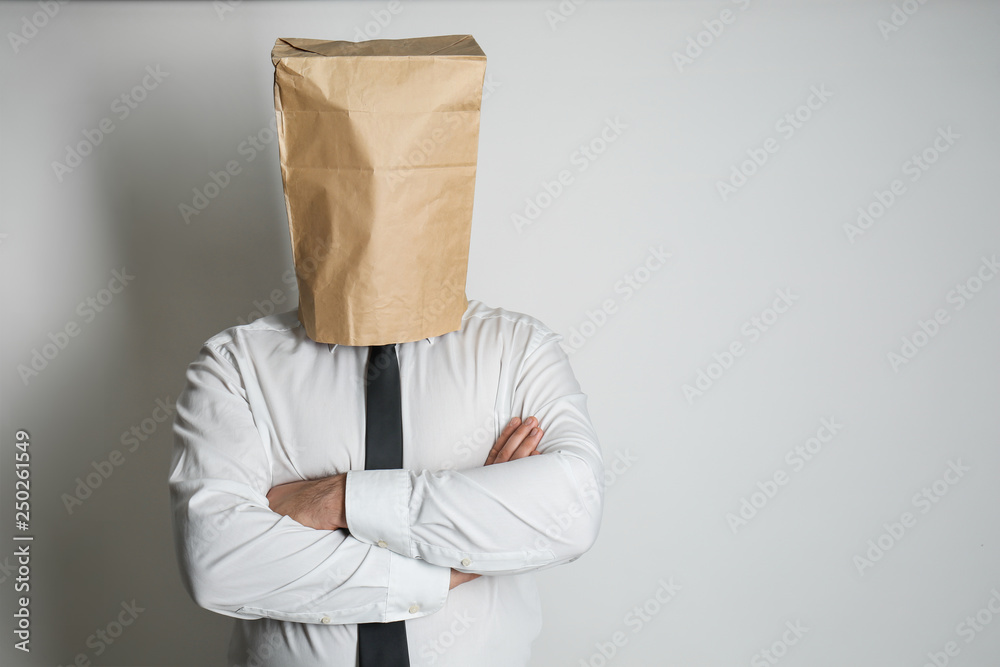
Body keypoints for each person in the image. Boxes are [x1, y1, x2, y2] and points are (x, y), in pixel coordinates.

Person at [168, 299, 605, 666]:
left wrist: (339, 500)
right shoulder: (237, 363)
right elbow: (217, 562)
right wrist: (460, 559)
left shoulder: (516, 347)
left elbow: (572, 511)